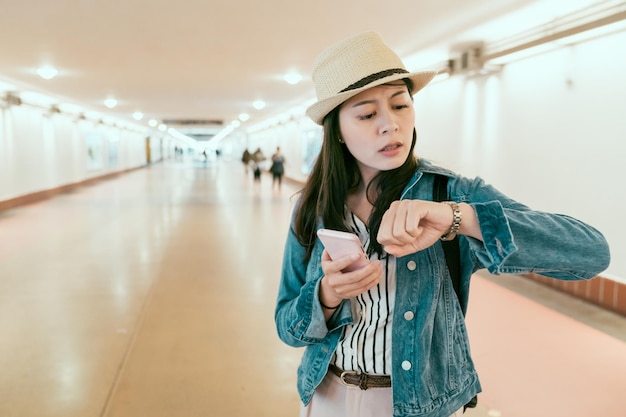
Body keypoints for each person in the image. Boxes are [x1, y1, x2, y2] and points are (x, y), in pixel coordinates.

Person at [274, 31, 610, 417]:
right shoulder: (312, 207)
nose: (390, 125)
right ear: (337, 130)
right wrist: (327, 296)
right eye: (367, 114)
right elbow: (287, 325)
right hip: (327, 393)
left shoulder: (451, 193)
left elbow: (591, 253)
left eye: (400, 106)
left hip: (420, 405)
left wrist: (460, 218)